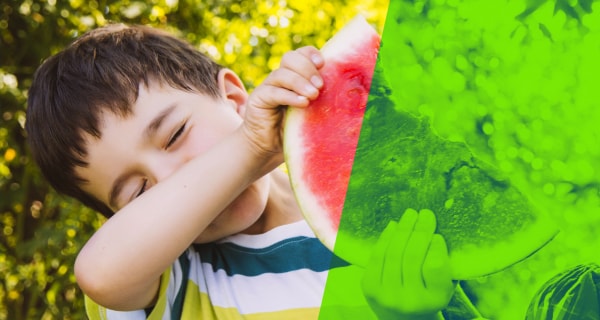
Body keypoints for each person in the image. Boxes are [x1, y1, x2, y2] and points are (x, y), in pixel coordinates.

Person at [26, 23, 460, 319]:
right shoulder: (173, 287)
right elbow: (100, 272)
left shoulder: (391, 212)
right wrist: (251, 146)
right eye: (139, 192)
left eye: (176, 134)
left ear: (234, 97)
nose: (176, 175)